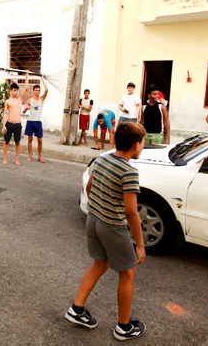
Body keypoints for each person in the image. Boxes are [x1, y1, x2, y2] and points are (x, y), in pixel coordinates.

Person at [65, 122, 147, 341]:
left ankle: (77, 309)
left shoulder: (102, 159)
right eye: (142, 144)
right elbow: (131, 213)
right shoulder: (129, 171)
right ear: (136, 146)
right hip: (113, 226)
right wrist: (140, 245)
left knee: (100, 263)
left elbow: (90, 187)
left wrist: (99, 207)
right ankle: (124, 327)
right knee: (127, 272)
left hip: (93, 220)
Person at [2, 74, 29, 166]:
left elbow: (26, 88)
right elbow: (5, 113)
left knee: (17, 142)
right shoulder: (7, 102)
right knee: (6, 142)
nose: (16, 92)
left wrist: (27, 76)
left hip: (18, 124)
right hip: (9, 123)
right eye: (14, 90)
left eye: (17, 90)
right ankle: (5, 159)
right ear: (10, 91)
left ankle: (17, 160)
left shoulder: (20, 99)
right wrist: (4, 125)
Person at [24, 76, 49, 162]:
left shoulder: (41, 99)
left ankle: (39, 157)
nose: (37, 92)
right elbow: (23, 111)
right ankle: (30, 156)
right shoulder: (29, 100)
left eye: (39, 90)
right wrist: (26, 108)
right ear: (33, 91)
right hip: (30, 121)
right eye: (36, 90)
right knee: (30, 139)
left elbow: (46, 90)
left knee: (40, 140)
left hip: (38, 122)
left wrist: (42, 79)